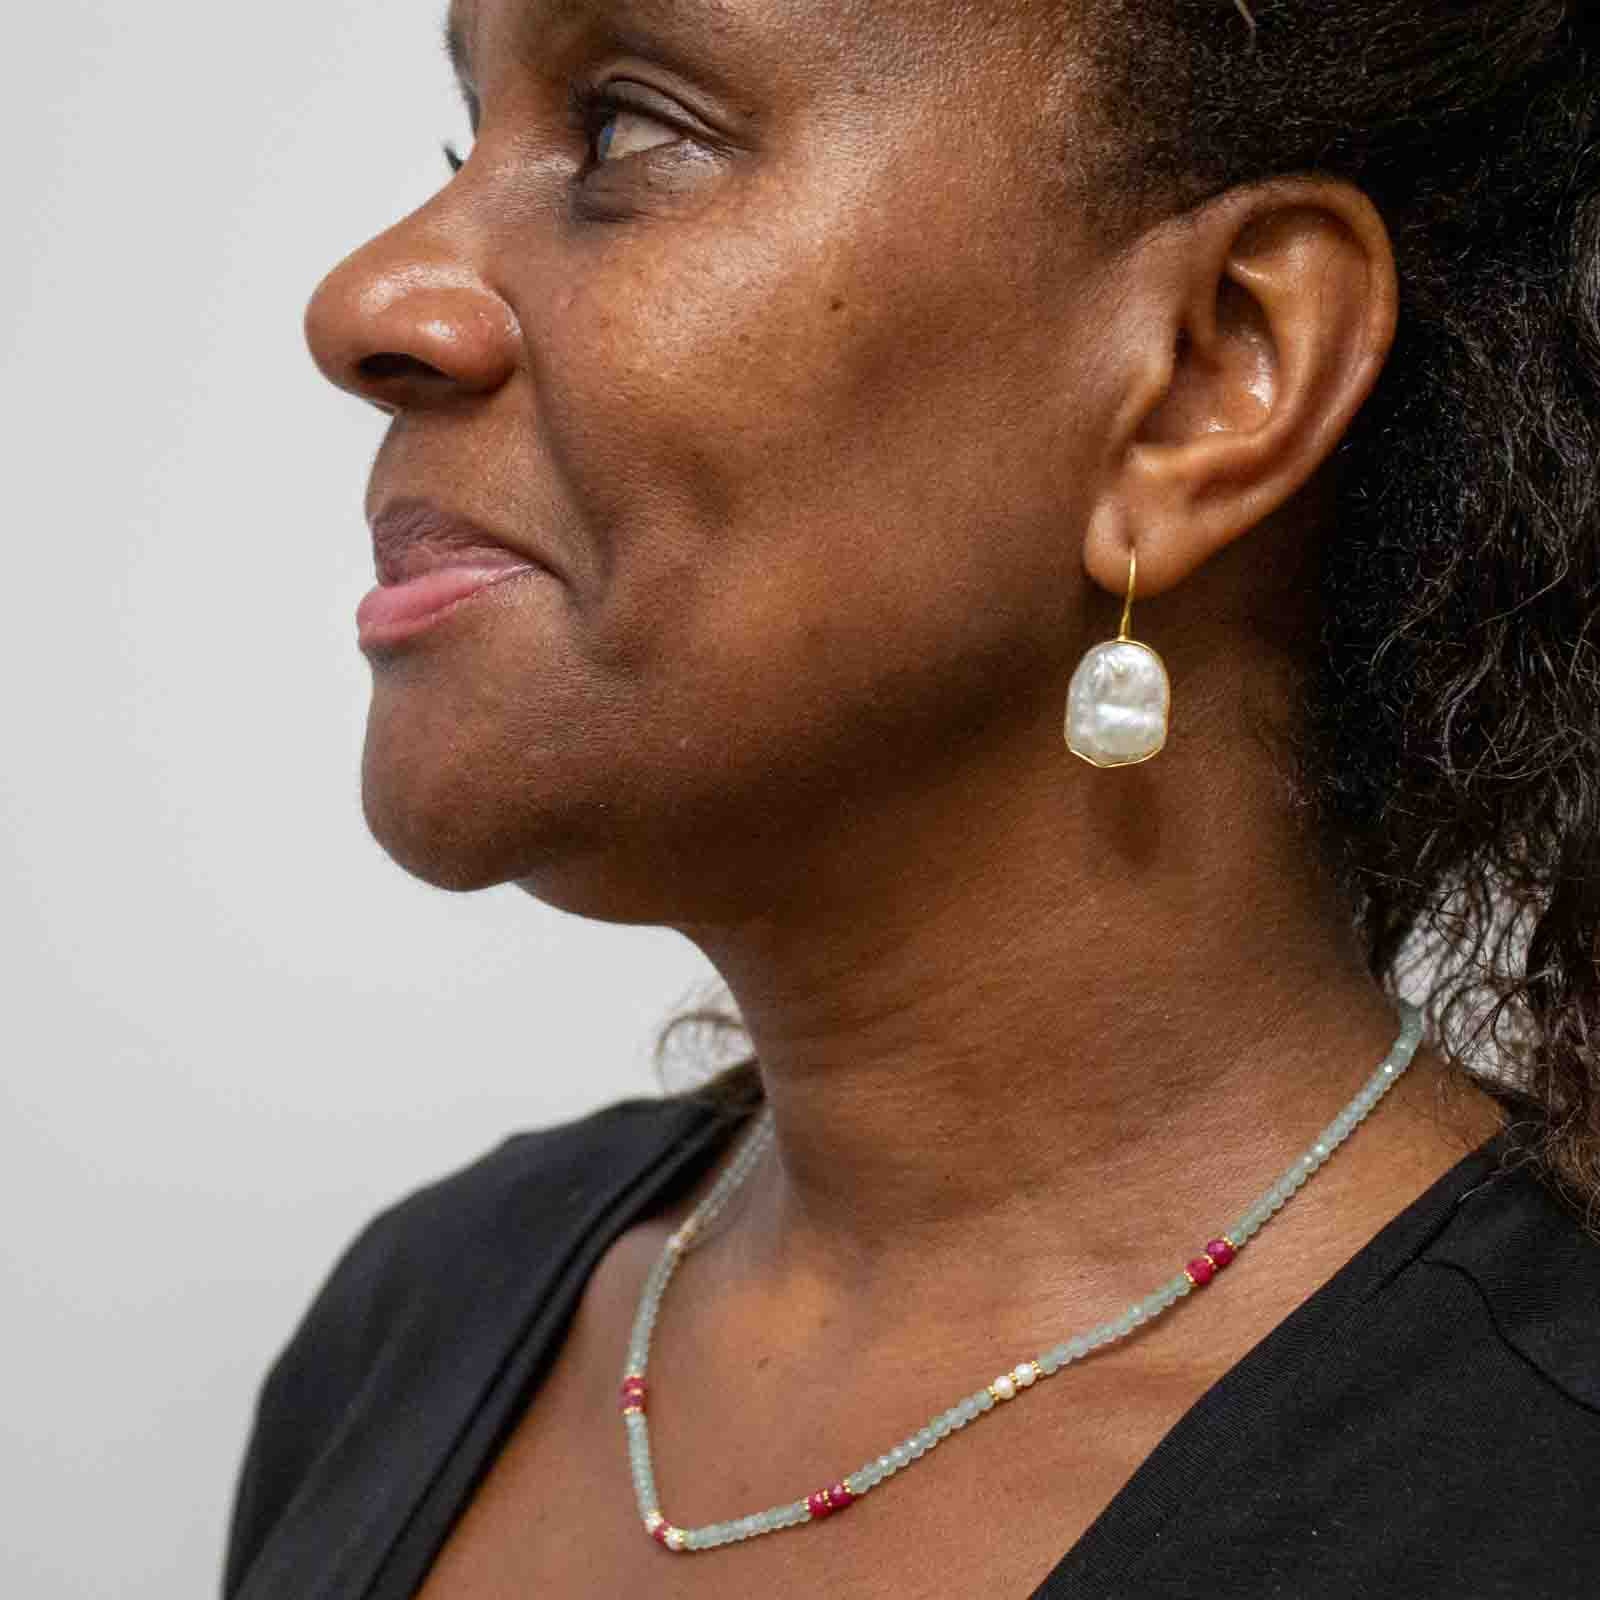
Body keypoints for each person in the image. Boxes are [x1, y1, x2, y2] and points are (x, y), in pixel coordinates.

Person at [225, 1, 1600, 1595]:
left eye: (625, 131)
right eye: (467, 141)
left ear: (1207, 374)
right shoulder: (419, 1323)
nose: (368, 302)